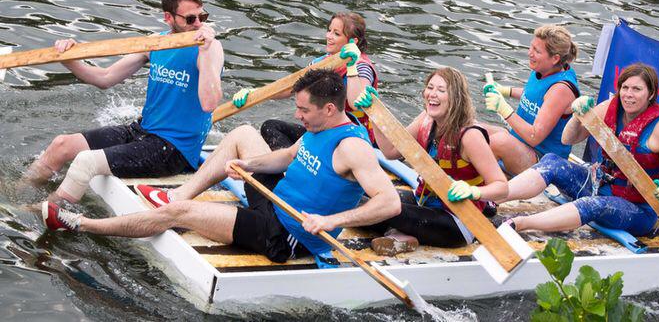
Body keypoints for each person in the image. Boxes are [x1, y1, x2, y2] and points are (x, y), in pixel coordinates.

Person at [42, 69, 401, 267]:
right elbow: (290, 156)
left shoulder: (353, 147)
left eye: (304, 111)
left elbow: (389, 202)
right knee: (243, 133)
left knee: (177, 213)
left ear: (329, 109)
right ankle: (180, 190)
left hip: (285, 233)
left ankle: (80, 225)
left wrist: (331, 222)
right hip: (273, 198)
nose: (297, 116)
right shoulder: (316, 128)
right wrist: (249, 164)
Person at [24, 0, 224, 206]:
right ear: (168, 18)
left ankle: (38, 211)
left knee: (86, 162)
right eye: (190, 19)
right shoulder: (156, 43)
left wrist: (205, 52)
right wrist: (68, 60)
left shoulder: (211, 48)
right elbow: (105, 78)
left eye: (202, 16)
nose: (198, 24)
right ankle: (17, 193)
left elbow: (209, 103)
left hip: (174, 150)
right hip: (143, 132)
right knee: (61, 145)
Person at [500, 63, 659, 237]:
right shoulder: (610, 107)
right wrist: (578, 115)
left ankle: (521, 223)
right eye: (625, 88)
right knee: (552, 162)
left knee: (592, 205)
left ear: (650, 94)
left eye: (637, 89)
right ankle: (496, 196)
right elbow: (568, 139)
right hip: (599, 186)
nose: (628, 95)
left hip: (637, 209)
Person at [353, 67, 508, 255]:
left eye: (441, 90)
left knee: (376, 209)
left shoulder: (470, 136)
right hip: (424, 201)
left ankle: (400, 233)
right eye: (430, 87)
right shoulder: (425, 119)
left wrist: (473, 191)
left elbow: (501, 188)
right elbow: (390, 151)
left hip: (457, 221)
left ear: (456, 98)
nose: (432, 94)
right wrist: (373, 114)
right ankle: (402, 235)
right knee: (356, 196)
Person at [233, 12, 379, 148]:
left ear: (353, 41)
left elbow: (356, 103)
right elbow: (290, 88)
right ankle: (288, 167)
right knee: (270, 127)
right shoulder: (320, 62)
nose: (329, 36)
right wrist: (255, 92)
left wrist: (351, 66)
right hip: (321, 129)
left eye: (336, 34)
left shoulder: (362, 67)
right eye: (329, 30)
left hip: (350, 137)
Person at [482, 25, 580, 175]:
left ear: (555, 58)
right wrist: (505, 90)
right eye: (531, 47)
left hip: (542, 162)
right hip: (520, 142)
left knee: (498, 141)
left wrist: (503, 108)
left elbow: (534, 137)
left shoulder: (561, 89)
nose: (530, 53)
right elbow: (535, 96)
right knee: (474, 129)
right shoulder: (544, 69)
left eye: (537, 51)